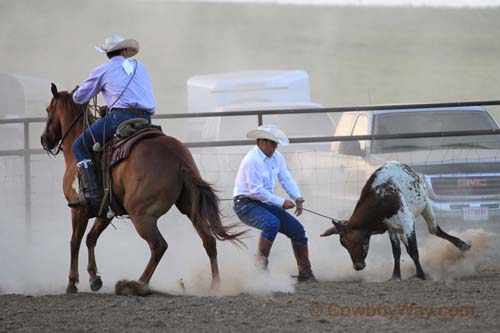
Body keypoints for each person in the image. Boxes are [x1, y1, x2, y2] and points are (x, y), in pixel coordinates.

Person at [68, 35, 156, 210]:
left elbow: (79, 98)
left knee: (79, 146)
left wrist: (77, 93)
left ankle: (92, 194)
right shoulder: (141, 67)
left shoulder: (103, 70)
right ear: (124, 51)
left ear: (107, 54)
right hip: (145, 119)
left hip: (119, 119)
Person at [232, 124, 316, 282]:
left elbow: (285, 177)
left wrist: (297, 196)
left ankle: (306, 273)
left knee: (297, 230)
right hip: (245, 205)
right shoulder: (252, 161)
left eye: (276, 143)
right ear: (261, 143)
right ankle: (260, 267)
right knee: (271, 223)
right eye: (273, 143)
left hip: (263, 203)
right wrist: (281, 202)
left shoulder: (276, 157)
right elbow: (256, 191)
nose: (275, 147)